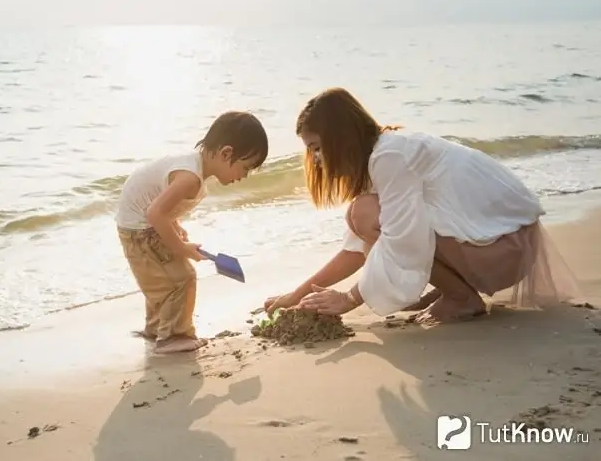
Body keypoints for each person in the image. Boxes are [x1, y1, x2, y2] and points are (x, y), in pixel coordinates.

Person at [264, 88, 580, 324]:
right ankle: (456, 289)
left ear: (340, 137)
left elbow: (405, 240)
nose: (316, 160)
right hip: (503, 244)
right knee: (362, 214)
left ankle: (461, 297)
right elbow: (355, 250)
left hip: (503, 250)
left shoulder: (390, 157)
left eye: (317, 148)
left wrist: (349, 299)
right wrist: (297, 294)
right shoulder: (383, 154)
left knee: (365, 214)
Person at [117, 111, 268, 354]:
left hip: (137, 226)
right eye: (245, 168)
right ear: (226, 153)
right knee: (181, 278)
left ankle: (156, 329)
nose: (244, 177)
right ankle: (173, 337)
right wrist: (180, 248)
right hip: (140, 230)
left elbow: (160, 204)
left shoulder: (192, 167)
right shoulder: (189, 177)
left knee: (161, 279)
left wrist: (175, 228)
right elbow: (155, 213)